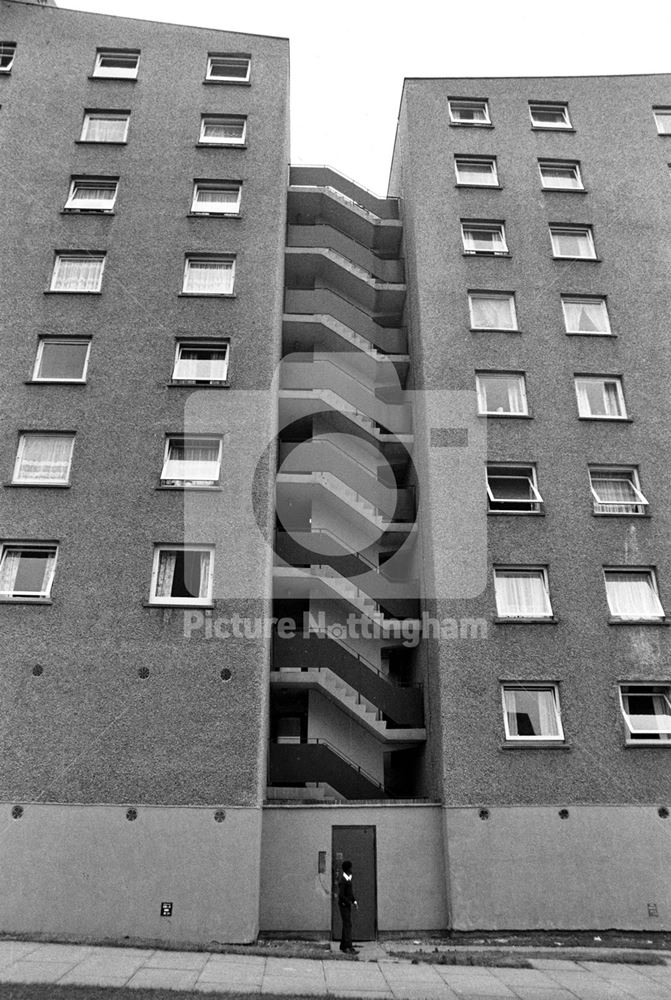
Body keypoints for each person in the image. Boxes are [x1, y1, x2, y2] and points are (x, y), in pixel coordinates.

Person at [337, 860, 358, 954]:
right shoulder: (343, 880)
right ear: (347, 869)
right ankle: (348, 946)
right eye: (350, 868)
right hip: (344, 905)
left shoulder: (348, 879)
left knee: (346, 924)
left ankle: (343, 945)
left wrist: (354, 901)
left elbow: (350, 893)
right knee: (347, 925)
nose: (352, 870)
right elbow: (341, 895)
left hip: (347, 904)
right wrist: (348, 902)